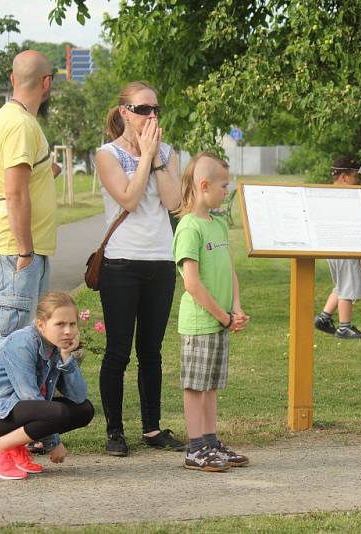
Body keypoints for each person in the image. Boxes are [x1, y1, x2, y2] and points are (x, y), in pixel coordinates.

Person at [0, 50, 61, 459]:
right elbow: (15, 191)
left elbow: (25, 182)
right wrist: (25, 250)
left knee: (19, 341)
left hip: (16, 246)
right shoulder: (20, 124)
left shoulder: (8, 119)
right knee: (2, 339)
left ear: (11, 78)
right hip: (15, 248)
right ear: (47, 82)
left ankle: (10, 427)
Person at [95, 81, 184, 456]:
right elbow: (129, 199)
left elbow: (175, 201)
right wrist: (144, 155)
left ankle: (151, 427)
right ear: (124, 112)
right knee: (118, 351)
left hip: (160, 260)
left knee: (152, 351)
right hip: (121, 263)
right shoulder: (106, 154)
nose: (152, 116)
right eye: (143, 109)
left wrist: (157, 156)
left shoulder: (168, 153)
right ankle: (115, 430)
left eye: (155, 109)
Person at [173, 152, 250, 472]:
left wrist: (236, 308)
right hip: (200, 323)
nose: (227, 191)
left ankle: (210, 440)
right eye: (223, 185)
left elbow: (228, 270)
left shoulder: (217, 224)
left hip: (220, 320)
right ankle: (195, 448)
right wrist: (222, 316)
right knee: (196, 386)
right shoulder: (189, 227)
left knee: (211, 385)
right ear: (203, 186)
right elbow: (191, 283)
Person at [0, 292, 94, 480]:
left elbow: (78, 396)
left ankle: (13, 446)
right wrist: (53, 442)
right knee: (57, 412)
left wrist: (67, 355)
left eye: (72, 324)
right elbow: (29, 397)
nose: (68, 331)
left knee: (84, 410)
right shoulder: (23, 343)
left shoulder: (56, 346)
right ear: (41, 325)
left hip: (14, 411)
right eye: (60, 324)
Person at [314, 156, 361, 339]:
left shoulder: (328, 195)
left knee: (341, 284)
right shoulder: (348, 196)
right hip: (345, 247)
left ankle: (324, 317)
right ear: (345, 177)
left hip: (331, 248)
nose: (358, 181)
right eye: (356, 177)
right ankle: (345, 326)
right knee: (347, 286)